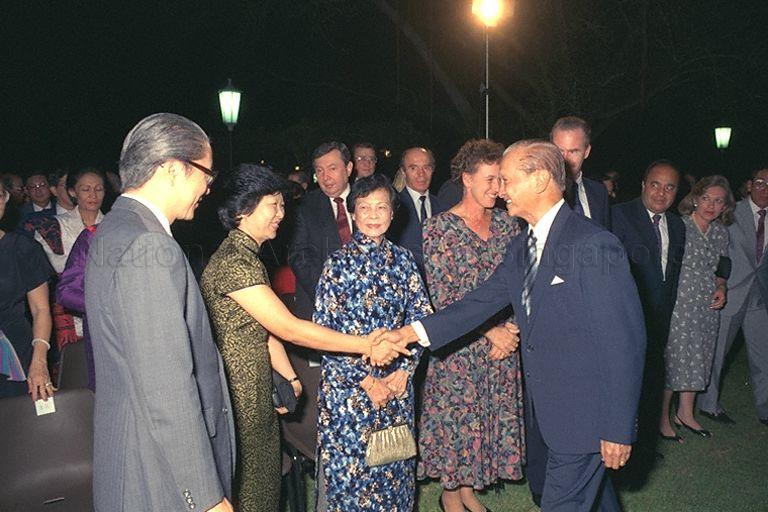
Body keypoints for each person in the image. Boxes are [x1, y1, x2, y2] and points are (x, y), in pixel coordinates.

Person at [382, 140, 646, 512]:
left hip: (585, 418)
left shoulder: (593, 245)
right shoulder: (522, 247)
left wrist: (618, 427)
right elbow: (478, 303)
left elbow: (624, 344)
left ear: (539, 180)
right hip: (552, 415)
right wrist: (409, 334)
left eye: (506, 180)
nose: (500, 190)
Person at [201, 165, 406, 512]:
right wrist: (366, 344)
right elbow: (289, 328)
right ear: (242, 210)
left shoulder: (247, 257)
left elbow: (264, 331)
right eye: (273, 206)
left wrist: (291, 378)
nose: (281, 214)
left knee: (264, 487)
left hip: (257, 392)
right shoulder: (236, 262)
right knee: (251, 491)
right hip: (239, 394)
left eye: (283, 205)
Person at [85, 113, 236, 512]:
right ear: (172, 169)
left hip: (134, 456)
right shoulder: (150, 248)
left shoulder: (116, 228)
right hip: (156, 474)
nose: (208, 186)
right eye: (206, 172)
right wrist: (206, 498)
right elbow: (166, 388)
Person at [313, 174, 433, 511]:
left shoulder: (405, 261)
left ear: (394, 214)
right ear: (353, 213)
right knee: (351, 484)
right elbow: (323, 333)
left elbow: (421, 321)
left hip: (396, 388)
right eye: (364, 207)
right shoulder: (336, 265)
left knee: (394, 479)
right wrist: (366, 381)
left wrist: (405, 372)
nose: (373, 214)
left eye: (381, 207)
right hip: (350, 394)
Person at [418, 139, 525, 512]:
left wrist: (509, 331)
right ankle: (451, 495)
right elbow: (443, 296)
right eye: (490, 179)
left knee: (484, 420)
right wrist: (489, 331)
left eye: (502, 180)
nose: (498, 189)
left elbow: (518, 284)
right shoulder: (438, 230)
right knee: (459, 424)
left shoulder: (511, 226)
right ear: (467, 178)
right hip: (458, 349)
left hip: (501, 347)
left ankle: (467, 491)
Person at [611, 160, 685, 470]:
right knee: (627, 384)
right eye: (655, 184)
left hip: (659, 318)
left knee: (650, 380)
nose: (661, 193)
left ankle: (641, 445)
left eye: (669, 187)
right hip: (628, 319)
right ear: (643, 184)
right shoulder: (619, 216)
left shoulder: (678, 225)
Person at [660, 175, 734, 441]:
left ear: (725, 207)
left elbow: (723, 265)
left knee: (699, 358)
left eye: (718, 201)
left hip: (706, 305)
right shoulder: (679, 226)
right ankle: (663, 419)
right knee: (674, 359)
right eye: (706, 199)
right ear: (694, 199)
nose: (711, 206)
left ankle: (686, 414)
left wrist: (722, 287)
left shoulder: (720, 232)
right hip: (680, 303)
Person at [698, 168, 768, 427]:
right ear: (749, 185)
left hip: (760, 297)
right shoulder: (730, 211)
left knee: (764, 355)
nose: (764, 188)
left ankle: (765, 408)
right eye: (760, 182)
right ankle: (708, 405)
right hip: (731, 293)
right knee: (718, 353)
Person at [28, 168, 106, 352]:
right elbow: (55, 268)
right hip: (69, 310)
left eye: (99, 189)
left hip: (107, 310)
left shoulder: (113, 225)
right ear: (73, 192)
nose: (93, 195)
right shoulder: (52, 227)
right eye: (86, 189)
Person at [0, 179, 55, 400]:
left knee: (22, 428)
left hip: (16, 352)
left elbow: (41, 310)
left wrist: (39, 361)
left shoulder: (23, 248)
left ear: (5, 199)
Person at [388, 146, 445, 276]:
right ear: (403, 172)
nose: (421, 174)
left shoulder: (445, 209)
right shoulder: (393, 208)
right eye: (413, 168)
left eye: (426, 167)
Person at [550, 116, 610, 228]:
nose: (565, 158)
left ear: (586, 152)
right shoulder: (539, 193)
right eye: (559, 151)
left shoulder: (599, 192)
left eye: (573, 152)